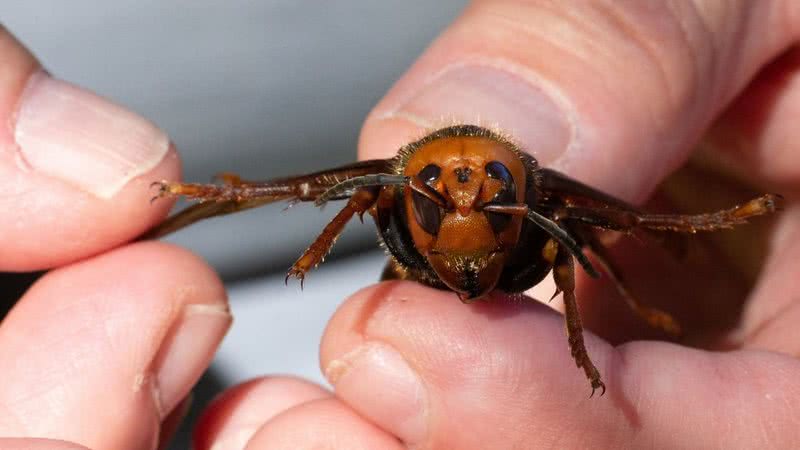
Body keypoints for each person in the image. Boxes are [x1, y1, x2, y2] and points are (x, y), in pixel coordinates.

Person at [1, 1, 799, 448]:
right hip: (292, 319)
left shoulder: (537, 193)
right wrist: (219, 196)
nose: (464, 207)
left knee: (567, 227)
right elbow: (322, 188)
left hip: (510, 330)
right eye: (445, 193)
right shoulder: (393, 192)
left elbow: (613, 214)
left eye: (485, 192)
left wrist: (698, 228)